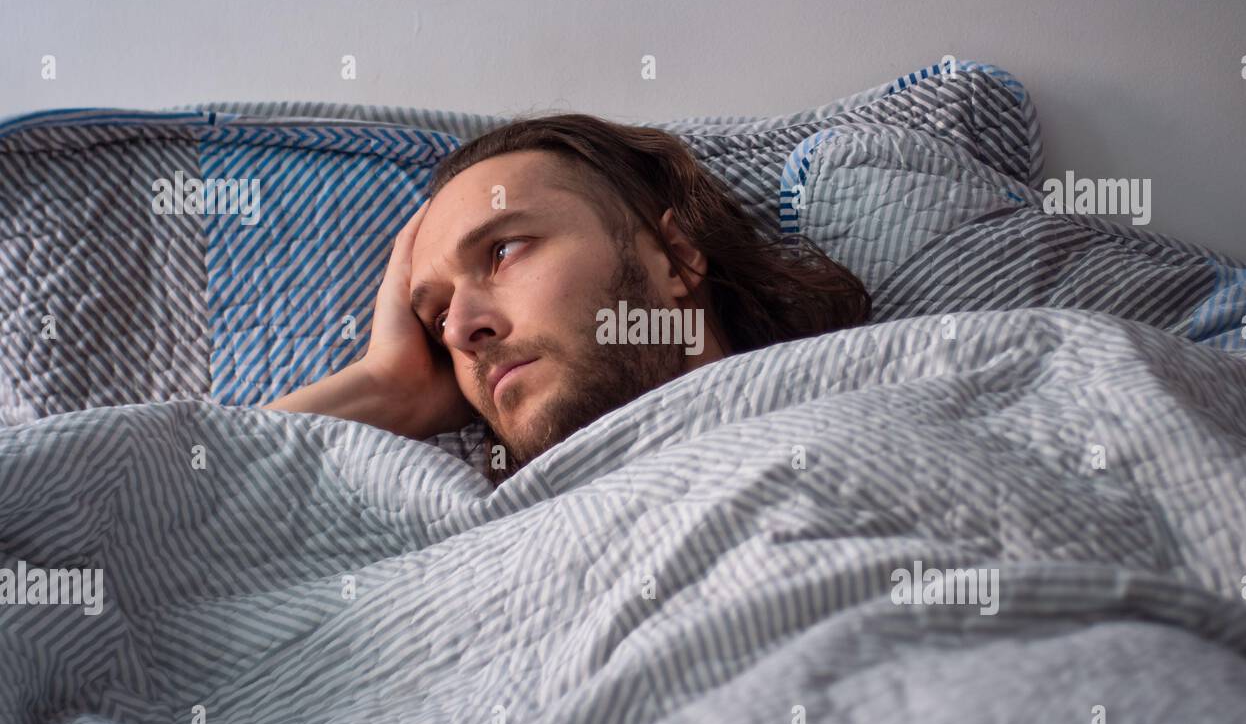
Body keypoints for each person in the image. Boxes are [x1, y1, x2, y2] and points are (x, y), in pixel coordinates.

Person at [266, 113, 871, 483]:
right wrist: (383, 389)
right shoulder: (459, 537)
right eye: (438, 314)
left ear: (676, 257)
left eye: (503, 252)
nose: (457, 332)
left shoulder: (892, 386)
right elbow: (175, 509)